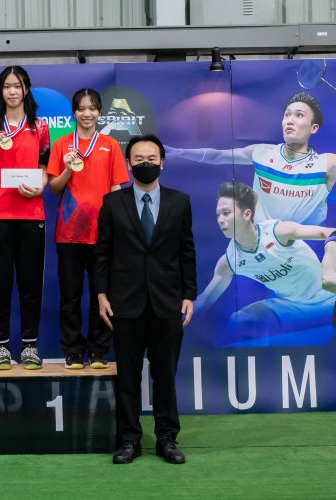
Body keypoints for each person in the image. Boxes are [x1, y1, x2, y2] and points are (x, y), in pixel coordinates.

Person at [96, 134, 196, 465]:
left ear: (162, 162)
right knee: (128, 376)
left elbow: (186, 252)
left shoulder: (180, 202)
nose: (145, 164)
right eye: (138, 159)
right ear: (128, 164)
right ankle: (129, 440)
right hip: (124, 303)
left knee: (165, 376)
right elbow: (102, 253)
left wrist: (189, 295)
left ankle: (167, 439)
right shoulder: (113, 203)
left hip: (167, 303)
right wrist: (101, 294)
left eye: (152, 158)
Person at [0, 65, 50, 370]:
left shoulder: (39, 126)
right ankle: (1, 346)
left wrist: (40, 186)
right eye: (7, 86)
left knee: (30, 283)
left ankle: (30, 345)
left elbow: (44, 167)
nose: (12, 91)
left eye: (17, 86)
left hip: (31, 213)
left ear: (26, 89)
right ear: (1, 90)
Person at [46, 88, 129, 370]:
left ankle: (98, 351)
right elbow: (54, 188)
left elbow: (116, 188)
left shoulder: (110, 145)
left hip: (102, 232)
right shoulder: (61, 145)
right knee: (69, 296)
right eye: (81, 109)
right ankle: (72, 351)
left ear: (99, 112)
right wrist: (68, 169)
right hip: (69, 231)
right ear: (74, 113)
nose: (86, 114)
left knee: (101, 294)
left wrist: (118, 225)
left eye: (92, 108)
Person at [195, 181, 335, 344]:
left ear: (247, 214)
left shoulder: (278, 232)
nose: (220, 220)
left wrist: (330, 269)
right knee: (240, 320)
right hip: (291, 306)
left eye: (226, 213)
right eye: (218, 215)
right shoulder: (230, 261)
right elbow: (204, 300)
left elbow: (330, 233)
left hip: (331, 297)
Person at [166, 92, 335, 225]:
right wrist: (180, 152)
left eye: (299, 115)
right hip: (262, 247)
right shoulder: (263, 153)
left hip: (307, 247)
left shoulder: (326, 164)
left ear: (314, 128)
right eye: (287, 115)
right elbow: (218, 156)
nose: (290, 120)